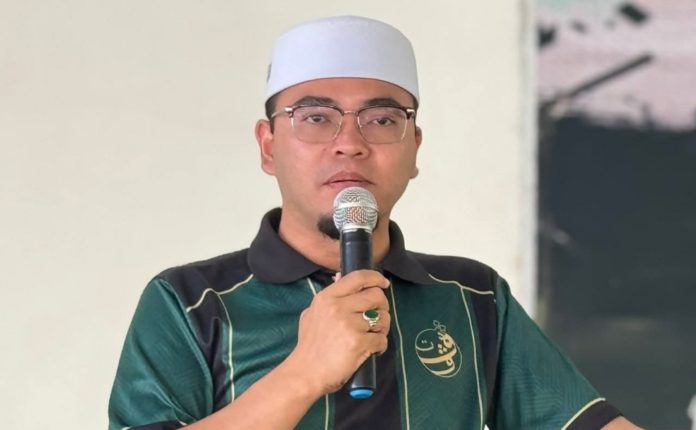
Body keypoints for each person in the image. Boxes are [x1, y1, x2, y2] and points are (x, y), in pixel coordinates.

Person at [108, 15, 642, 430]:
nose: (350, 143)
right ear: (268, 147)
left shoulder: (471, 296)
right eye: (316, 118)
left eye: (382, 119)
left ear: (414, 148)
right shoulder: (189, 302)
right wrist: (304, 372)